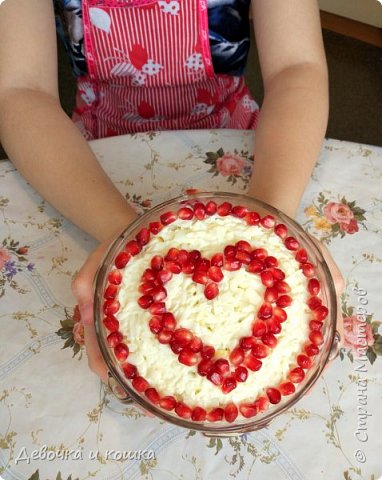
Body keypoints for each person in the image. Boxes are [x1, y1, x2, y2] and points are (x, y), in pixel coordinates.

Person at [0, 0, 343, 385]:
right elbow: (21, 90)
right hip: (89, 161)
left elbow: (297, 67)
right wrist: (126, 238)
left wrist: (268, 226)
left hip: (243, 147)